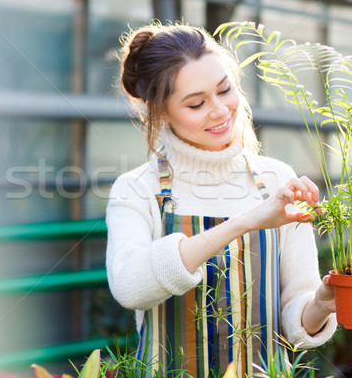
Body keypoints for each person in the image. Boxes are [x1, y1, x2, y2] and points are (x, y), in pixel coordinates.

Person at [105, 21, 337, 378]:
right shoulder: (137, 188)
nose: (220, 110)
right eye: (196, 103)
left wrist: (320, 304)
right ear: (162, 112)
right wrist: (246, 221)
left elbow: (295, 325)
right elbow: (130, 287)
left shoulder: (276, 179)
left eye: (225, 90)